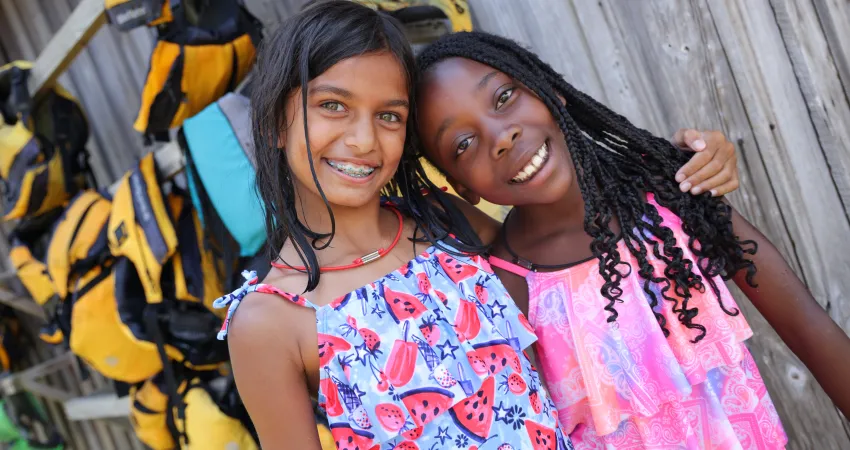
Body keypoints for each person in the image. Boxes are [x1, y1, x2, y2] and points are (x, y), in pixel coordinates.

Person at [216, 2, 744, 449]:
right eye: (333, 106)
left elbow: (572, 246)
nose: (362, 140)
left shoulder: (441, 223)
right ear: (274, 122)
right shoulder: (270, 323)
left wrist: (672, 168)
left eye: (389, 116)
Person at [414, 31, 850, 449]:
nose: (501, 136)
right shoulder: (508, 285)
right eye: (464, 142)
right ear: (459, 186)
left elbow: (808, 327)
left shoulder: (668, 194)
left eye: (505, 97)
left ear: (551, 90)